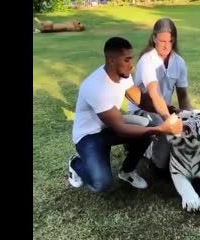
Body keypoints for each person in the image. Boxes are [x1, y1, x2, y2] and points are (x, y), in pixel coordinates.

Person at [68, 36, 183, 192]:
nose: (132, 65)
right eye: (127, 60)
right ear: (111, 61)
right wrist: (160, 130)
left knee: (147, 129)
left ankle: (127, 171)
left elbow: (141, 101)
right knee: (102, 184)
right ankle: (75, 164)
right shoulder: (96, 87)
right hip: (89, 136)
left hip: (108, 127)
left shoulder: (124, 75)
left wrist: (168, 109)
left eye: (132, 59)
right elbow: (121, 128)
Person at [127, 18, 192, 173]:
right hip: (143, 109)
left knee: (187, 128)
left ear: (174, 40)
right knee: (165, 131)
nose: (165, 45)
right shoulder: (147, 60)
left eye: (169, 41)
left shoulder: (179, 62)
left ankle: (151, 148)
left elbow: (183, 96)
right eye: (162, 40)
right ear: (154, 37)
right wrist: (168, 119)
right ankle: (157, 166)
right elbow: (154, 94)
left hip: (164, 109)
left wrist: (190, 117)